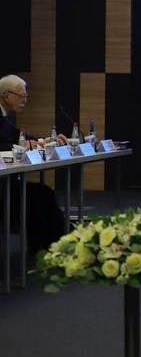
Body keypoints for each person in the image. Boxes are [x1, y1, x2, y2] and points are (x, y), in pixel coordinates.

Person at [0, 74, 66, 253]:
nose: (25, 100)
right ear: (7, 96)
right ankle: (50, 249)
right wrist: (21, 145)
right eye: (22, 96)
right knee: (41, 196)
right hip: (3, 186)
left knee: (43, 193)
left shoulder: (7, 115)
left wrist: (45, 141)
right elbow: (10, 143)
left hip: (7, 181)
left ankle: (50, 249)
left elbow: (19, 137)